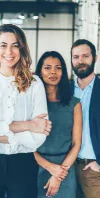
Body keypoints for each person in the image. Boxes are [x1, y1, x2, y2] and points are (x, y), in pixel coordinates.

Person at [0, 24, 51, 198]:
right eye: (3, 45)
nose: (9, 51)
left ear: (22, 48)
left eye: (15, 45)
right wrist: (28, 125)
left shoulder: (35, 83)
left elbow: (38, 137)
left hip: (23, 162)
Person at [35, 51, 82, 197]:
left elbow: (76, 144)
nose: (53, 72)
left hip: (65, 169)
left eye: (58, 68)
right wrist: (50, 167)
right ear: (40, 72)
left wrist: (58, 174)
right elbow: (24, 144)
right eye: (47, 68)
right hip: (36, 166)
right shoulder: (32, 104)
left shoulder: (74, 104)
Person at [70, 39, 100, 198]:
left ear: (94, 58)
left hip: (93, 169)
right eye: (75, 57)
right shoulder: (66, 91)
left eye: (85, 56)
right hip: (67, 168)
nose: (80, 61)